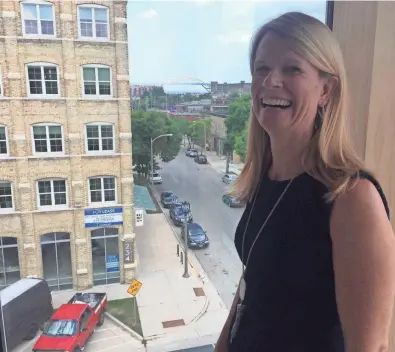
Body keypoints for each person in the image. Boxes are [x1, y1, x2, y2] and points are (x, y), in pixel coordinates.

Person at [214, 11, 395, 352]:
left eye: (292, 69)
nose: (271, 81)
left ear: (326, 90)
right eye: (262, 69)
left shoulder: (352, 199)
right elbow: (252, 285)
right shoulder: (266, 177)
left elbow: (370, 346)